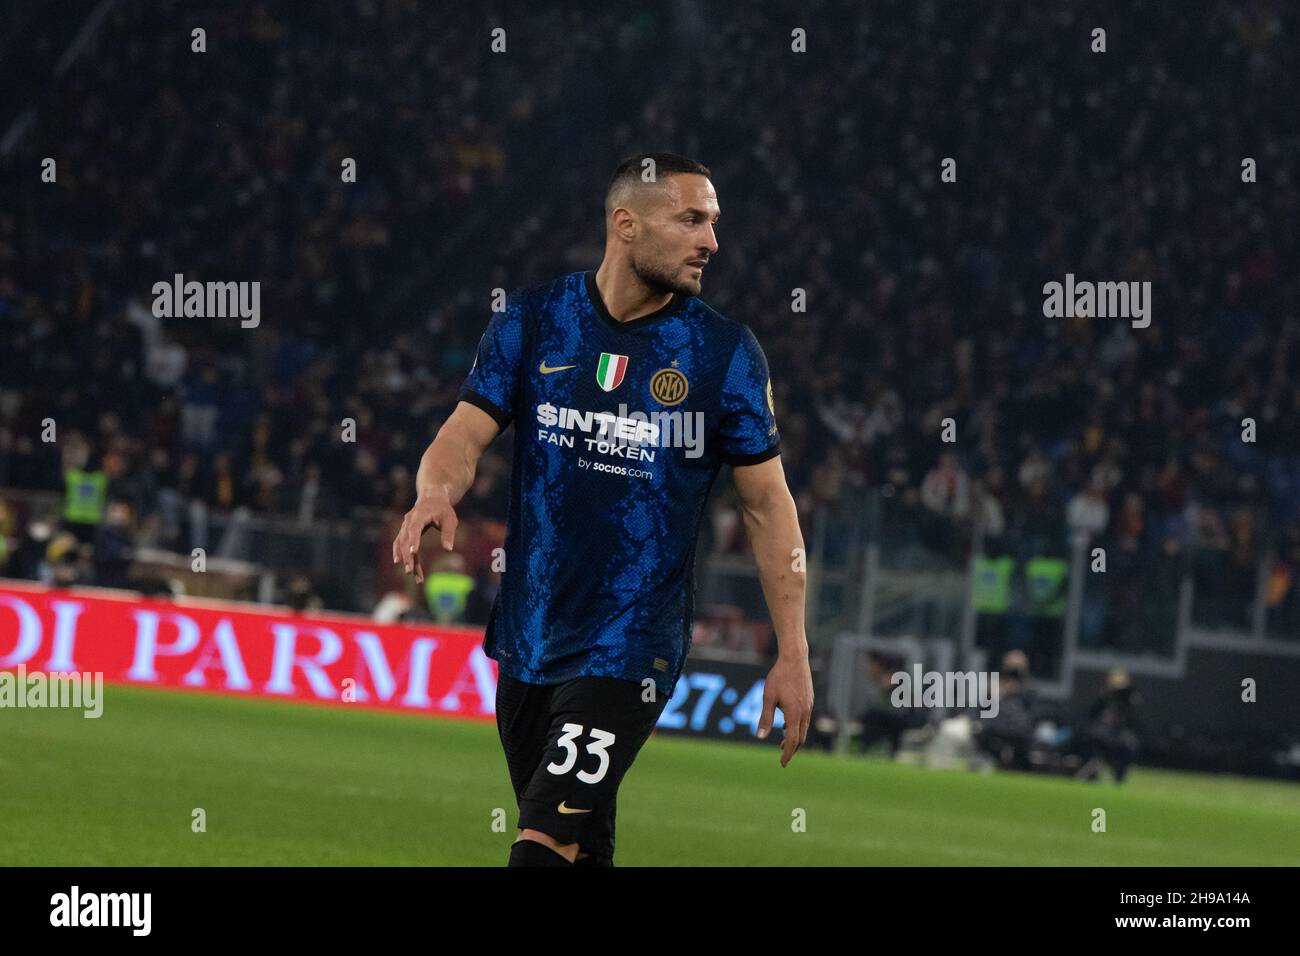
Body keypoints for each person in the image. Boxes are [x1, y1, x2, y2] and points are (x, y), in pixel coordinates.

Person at [391, 152, 813, 867]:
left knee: (541, 838)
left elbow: (768, 507)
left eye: (712, 222)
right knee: (581, 849)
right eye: (691, 219)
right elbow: (463, 433)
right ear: (625, 224)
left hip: (631, 647)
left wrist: (794, 652)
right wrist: (435, 490)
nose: (712, 240)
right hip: (529, 634)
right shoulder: (533, 320)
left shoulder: (723, 354)